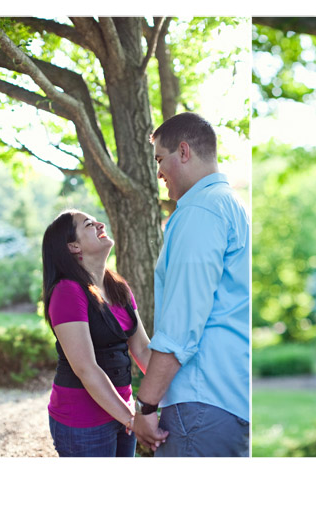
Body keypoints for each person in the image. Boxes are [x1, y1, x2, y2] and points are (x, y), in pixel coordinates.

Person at [131, 112, 250, 457]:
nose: (158, 173)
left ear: (183, 151)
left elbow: (181, 326)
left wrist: (146, 407)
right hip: (227, 400)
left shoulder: (201, 211)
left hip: (201, 402)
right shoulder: (231, 206)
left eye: (159, 159)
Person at [42, 210, 153, 457]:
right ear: (73, 246)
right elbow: (86, 368)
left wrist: (176, 392)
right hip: (82, 422)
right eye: (89, 224)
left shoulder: (118, 287)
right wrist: (132, 420)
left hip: (122, 411)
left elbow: (142, 349)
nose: (100, 224)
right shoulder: (67, 292)